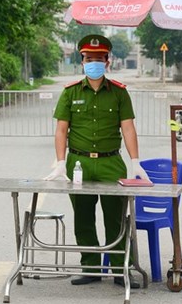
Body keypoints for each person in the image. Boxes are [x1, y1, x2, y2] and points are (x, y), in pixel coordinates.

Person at [45, 34, 150, 287]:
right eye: (89, 58)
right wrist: (61, 162)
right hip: (78, 163)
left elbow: (128, 128)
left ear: (107, 61)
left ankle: (118, 269)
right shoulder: (70, 93)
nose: (94, 63)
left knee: (115, 218)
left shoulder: (119, 93)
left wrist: (135, 162)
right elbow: (61, 130)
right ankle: (90, 267)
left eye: (99, 59)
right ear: (82, 61)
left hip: (111, 163)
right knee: (83, 217)